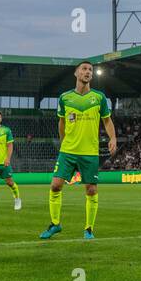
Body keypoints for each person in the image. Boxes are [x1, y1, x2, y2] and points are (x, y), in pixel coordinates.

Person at [42, 61, 116, 240]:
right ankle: (55, 224)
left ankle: (89, 229)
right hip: (68, 150)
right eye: (84, 69)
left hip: (90, 152)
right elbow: (61, 122)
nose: (88, 72)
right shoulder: (65, 97)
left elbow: (107, 120)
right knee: (55, 185)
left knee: (91, 190)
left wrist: (113, 138)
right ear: (76, 73)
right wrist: (62, 141)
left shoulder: (99, 97)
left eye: (90, 70)